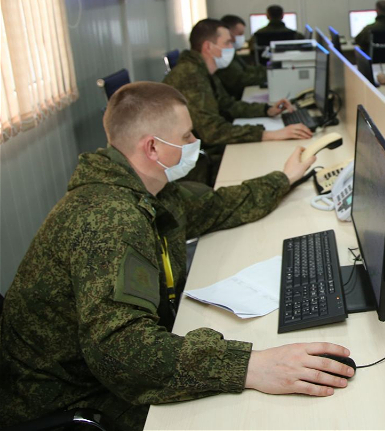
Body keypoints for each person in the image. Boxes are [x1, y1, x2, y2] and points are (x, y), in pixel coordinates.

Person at [0, 82, 353, 431]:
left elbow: (216, 207)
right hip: (73, 398)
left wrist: (284, 177)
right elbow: (120, 352)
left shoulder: (145, 189)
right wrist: (250, 366)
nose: (195, 142)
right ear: (153, 147)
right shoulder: (110, 219)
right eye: (186, 136)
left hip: (98, 372)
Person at [164, 19, 311, 184]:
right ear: (208, 47)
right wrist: (269, 134)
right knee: (265, 164)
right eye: (227, 43)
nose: (231, 48)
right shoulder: (190, 76)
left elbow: (227, 105)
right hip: (195, 169)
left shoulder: (200, 71)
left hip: (203, 155)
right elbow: (212, 131)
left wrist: (266, 110)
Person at [216, 14, 267, 99]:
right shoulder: (223, 56)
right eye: (240, 34)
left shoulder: (230, 52)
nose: (241, 37)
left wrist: (269, 70)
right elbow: (239, 80)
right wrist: (269, 74)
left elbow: (246, 69)